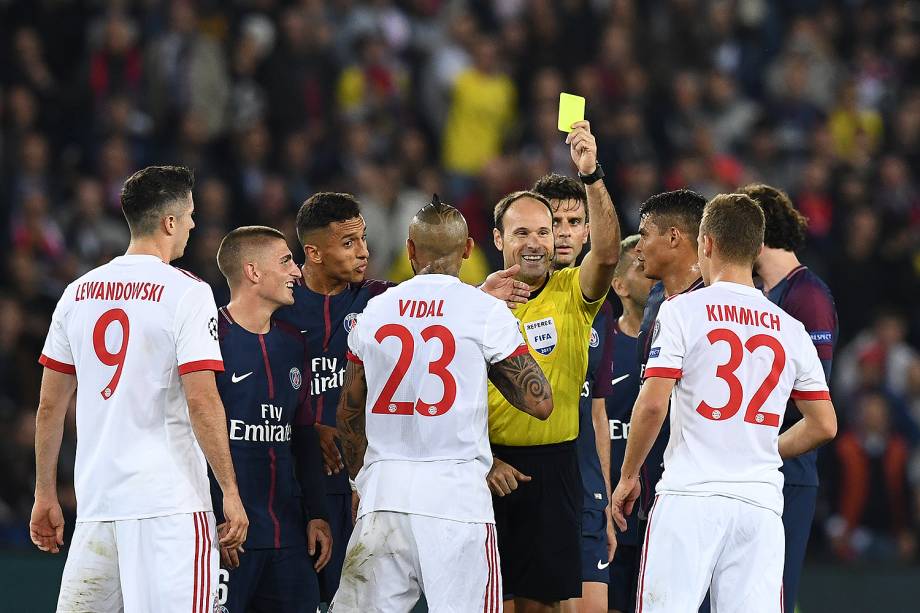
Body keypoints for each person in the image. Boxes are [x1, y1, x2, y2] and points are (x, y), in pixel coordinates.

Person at [274, 191, 530, 603]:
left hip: (367, 484)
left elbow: (436, 307)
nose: (364, 252)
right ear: (314, 252)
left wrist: (480, 293)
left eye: (363, 239)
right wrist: (302, 430)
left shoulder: (378, 302)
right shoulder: (278, 305)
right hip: (299, 482)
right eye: (349, 243)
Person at [30, 166, 248, 611]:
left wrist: (44, 493)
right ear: (169, 222)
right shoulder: (187, 292)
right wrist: (229, 490)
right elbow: (202, 399)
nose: (192, 224)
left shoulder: (76, 293)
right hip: (168, 508)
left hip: (98, 508)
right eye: (189, 215)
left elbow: (50, 407)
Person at [611, 193, 839, 612]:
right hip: (760, 505)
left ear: (707, 244)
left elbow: (652, 405)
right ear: (755, 250)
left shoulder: (682, 311)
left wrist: (627, 477)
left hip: (690, 498)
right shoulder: (790, 328)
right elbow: (824, 424)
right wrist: (766, 449)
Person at [330, 198, 553, 611]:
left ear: (410, 251)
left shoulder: (374, 313)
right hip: (457, 502)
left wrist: (362, 480)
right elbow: (540, 402)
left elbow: (348, 412)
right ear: (468, 249)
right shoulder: (483, 312)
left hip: (385, 498)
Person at [487, 120, 621, 612]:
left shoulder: (574, 293)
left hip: (554, 470)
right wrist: (483, 461)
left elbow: (607, 253)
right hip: (487, 467)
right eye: (522, 232)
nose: (538, 242)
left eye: (544, 232)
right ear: (498, 237)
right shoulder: (474, 305)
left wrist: (591, 175)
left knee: (543, 607)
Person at [210, 226, 333, 612]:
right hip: (228, 538)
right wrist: (212, 518)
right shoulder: (208, 340)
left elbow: (302, 437)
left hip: (289, 539)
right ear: (253, 272)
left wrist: (316, 514)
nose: (298, 271)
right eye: (286, 261)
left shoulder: (294, 343)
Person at [739, 183, 839, 611]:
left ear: (755, 238)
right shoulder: (768, 296)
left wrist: (760, 453)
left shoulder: (808, 297)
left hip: (787, 472)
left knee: (772, 596)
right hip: (759, 471)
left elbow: (811, 405)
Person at [533, 173, 616, 613]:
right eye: (554, 222)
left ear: (587, 230)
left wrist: (602, 494)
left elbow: (597, 412)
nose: (564, 232)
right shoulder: (502, 299)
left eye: (573, 221)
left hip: (584, 493)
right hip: (529, 487)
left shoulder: (600, 311)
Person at [633, 190, 707, 521]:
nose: (636, 248)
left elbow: (653, 403)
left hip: (694, 486)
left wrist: (627, 473)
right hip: (656, 480)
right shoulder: (657, 300)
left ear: (673, 237)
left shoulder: (712, 306)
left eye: (644, 235)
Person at [604, 236, 654, 613]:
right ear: (619, 285)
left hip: (665, 511)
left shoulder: (680, 337)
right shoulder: (601, 343)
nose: (652, 271)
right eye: (641, 265)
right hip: (614, 514)